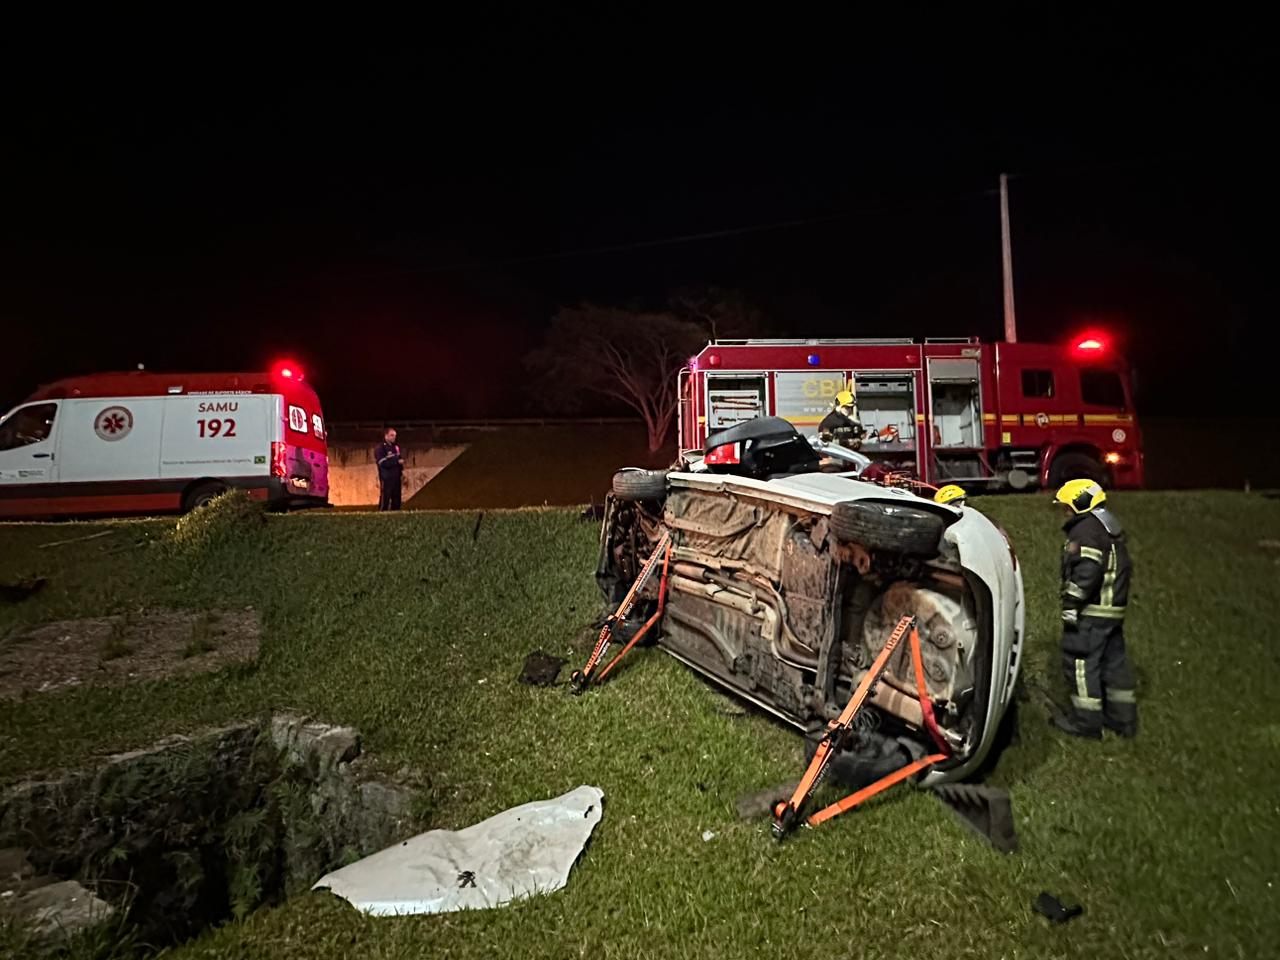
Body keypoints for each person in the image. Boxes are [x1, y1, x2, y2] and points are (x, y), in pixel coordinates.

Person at [1052, 479, 1137, 739]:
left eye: (1067, 506)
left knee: (1081, 666)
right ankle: (1123, 722)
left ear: (1080, 502)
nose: (1065, 512)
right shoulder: (1107, 528)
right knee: (1114, 667)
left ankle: (1086, 724)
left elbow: (1087, 570)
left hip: (1092, 612)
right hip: (1112, 612)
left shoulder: (1086, 530)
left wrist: (1071, 602)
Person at [375, 427, 404, 511]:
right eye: (391, 435)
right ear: (386, 436)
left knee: (396, 497)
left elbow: (398, 458)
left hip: (396, 477)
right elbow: (382, 463)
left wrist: (400, 466)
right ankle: (383, 512)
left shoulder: (396, 447)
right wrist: (396, 462)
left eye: (395, 435)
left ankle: (396, 512)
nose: (394, 437)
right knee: (386, 497)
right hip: (386, 477)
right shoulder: (380, 448)